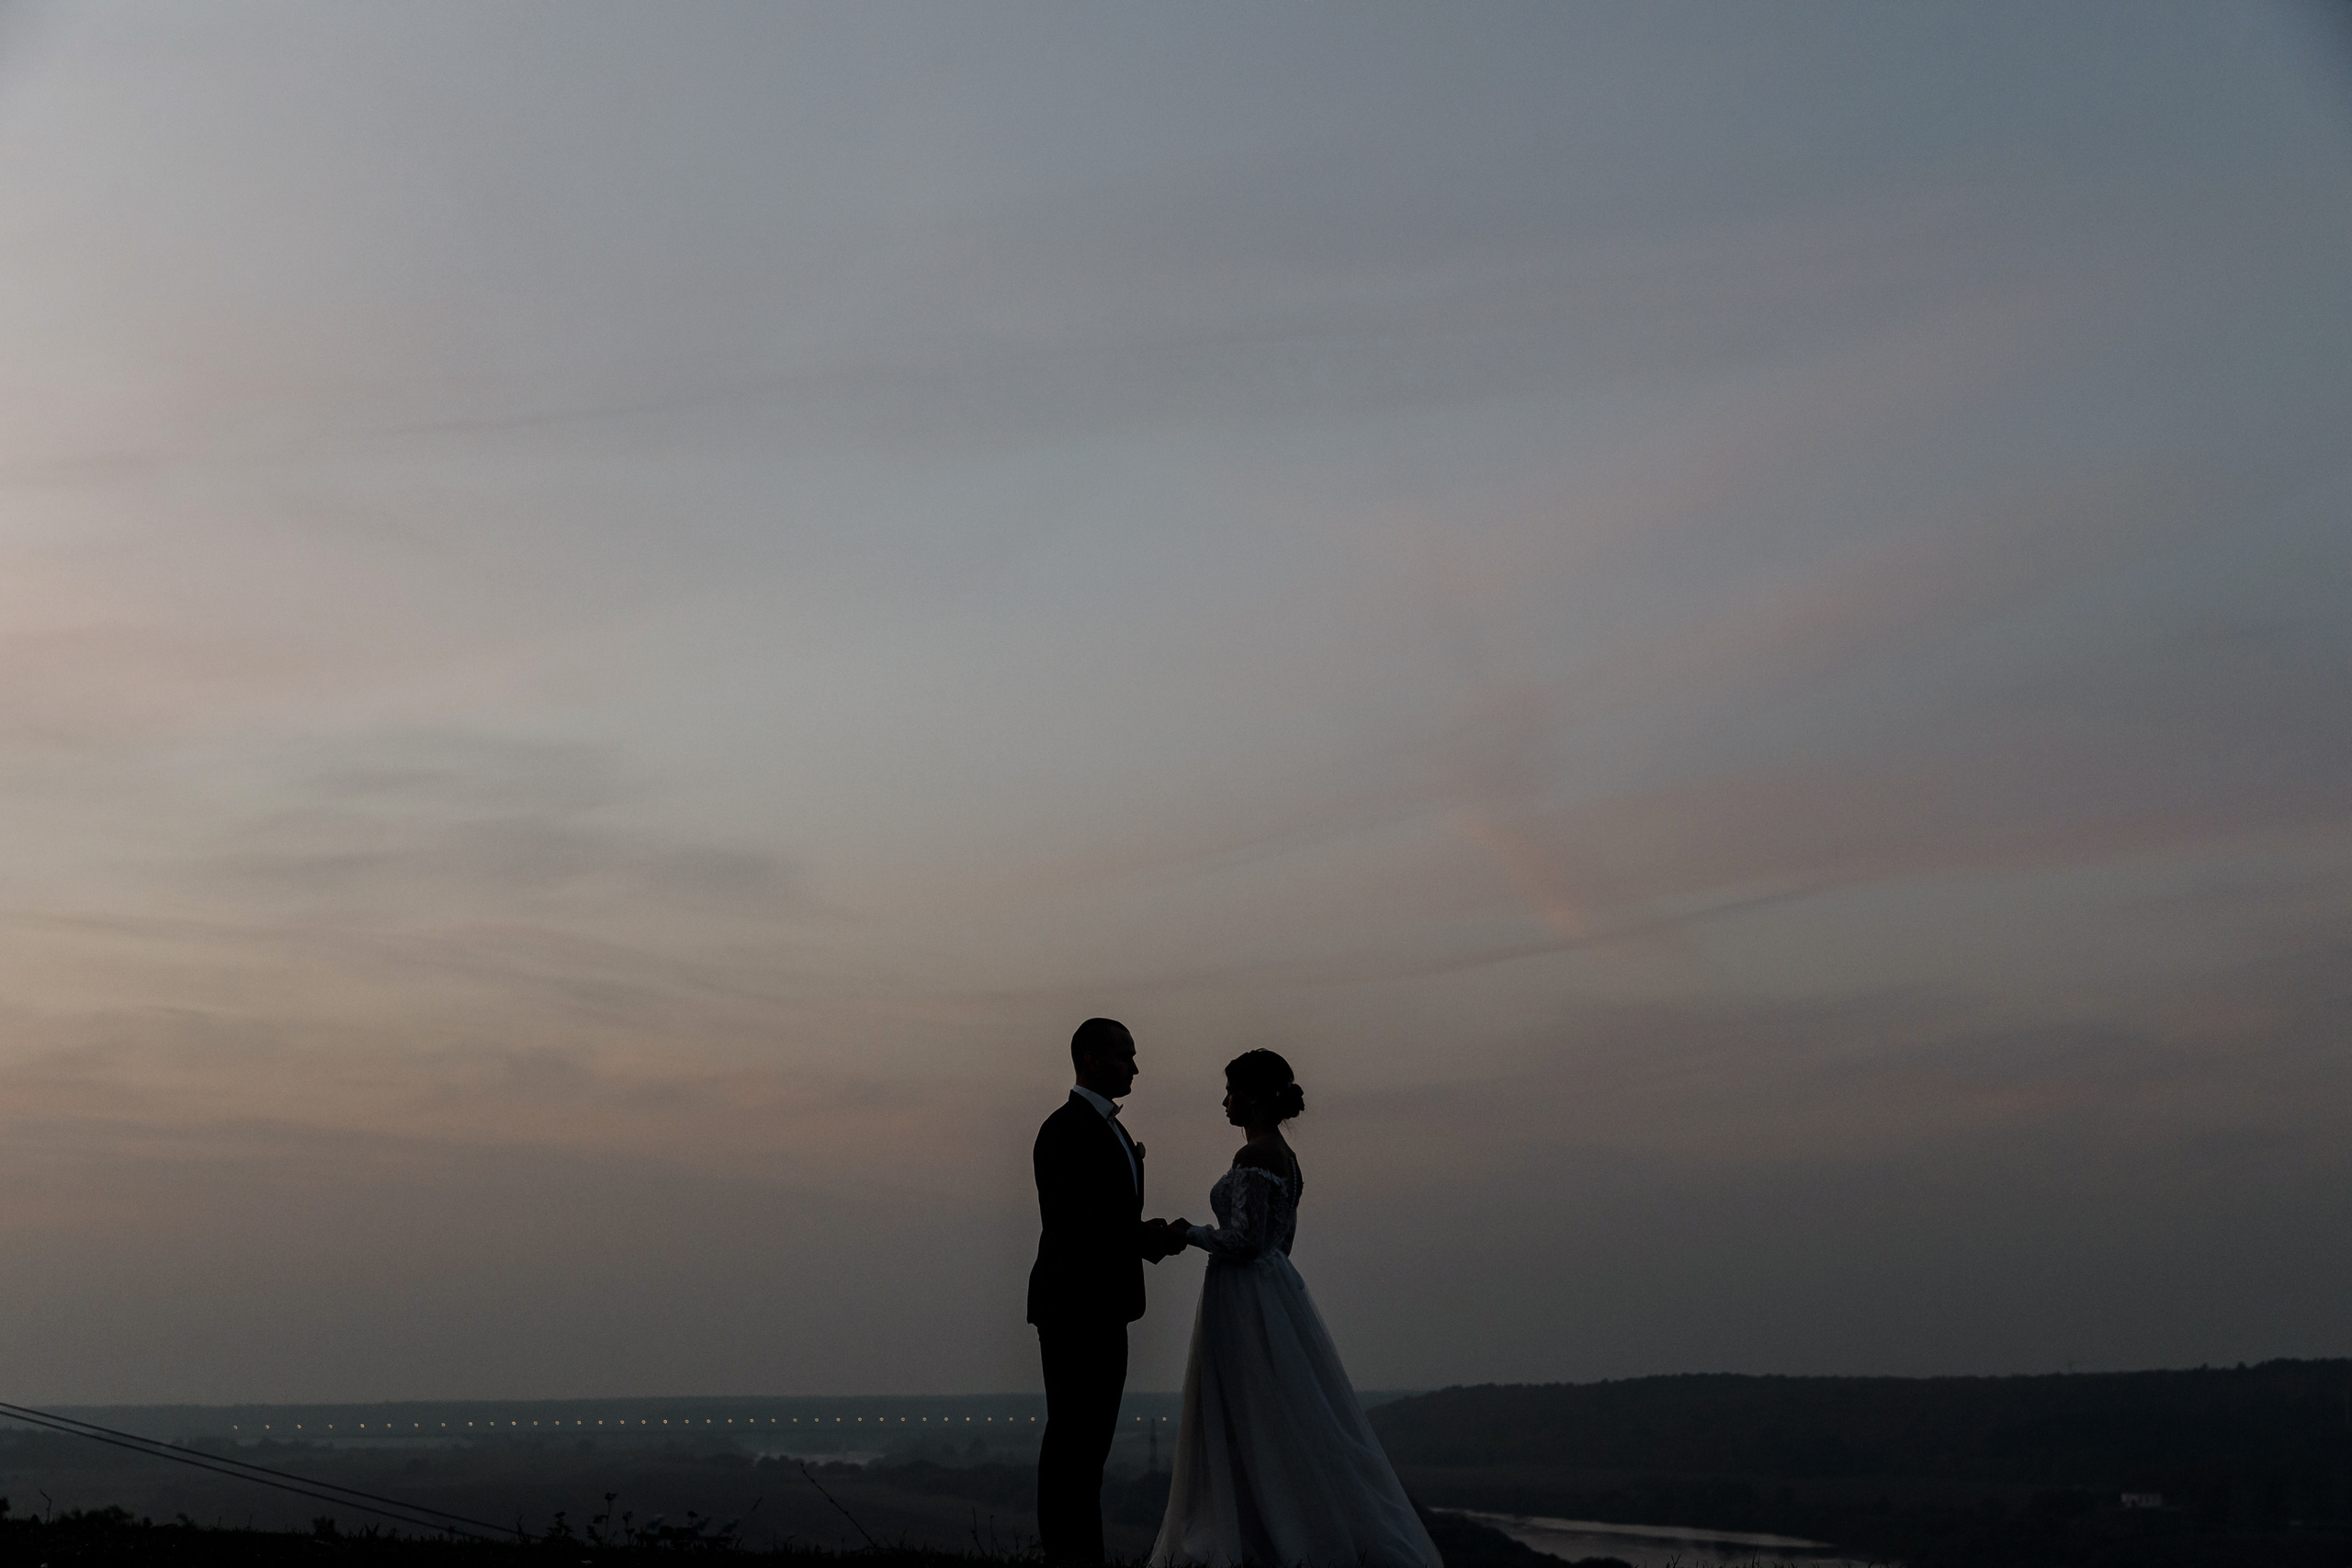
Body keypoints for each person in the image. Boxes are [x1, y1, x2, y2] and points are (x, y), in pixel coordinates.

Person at [1148, 1050, 1442, 1568]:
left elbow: (1246, 1241)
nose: (1224, 1101)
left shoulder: (1254, 1156)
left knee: (1249, 1417)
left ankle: (1260, 1538)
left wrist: (1187, 1232)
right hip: (1274, 1293)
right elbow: (1281, 1243)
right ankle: (1266, 1528)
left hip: (1246, 1300)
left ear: (1255, 1097)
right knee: (1276, 1417)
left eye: (1231, 1090)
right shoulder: (1286, 1155)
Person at [1029, 1017, 1185, 1565]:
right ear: (1091, 1060)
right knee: (1073, 1441)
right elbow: (1077, 1225)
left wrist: (1146, 1236)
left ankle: (1080, 1554)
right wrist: (1147, 1238)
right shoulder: (1064, 1130)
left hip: (1105, 1307)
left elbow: (1106, 1219)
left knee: (1090, 1445)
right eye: (1125, 1056)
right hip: (1074, 1308)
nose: (1136, 1067)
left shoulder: (1113, 1131)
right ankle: (1068, 1554)